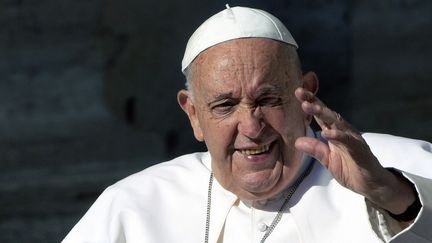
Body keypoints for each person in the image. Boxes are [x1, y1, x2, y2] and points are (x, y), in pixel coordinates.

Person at [62, 5, 432, 243]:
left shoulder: (388, 163)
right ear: (193, 114)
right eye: (224, 105)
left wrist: (391, 194)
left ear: (306, 95)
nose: (252, 127)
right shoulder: (132, 205)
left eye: (267, 100)